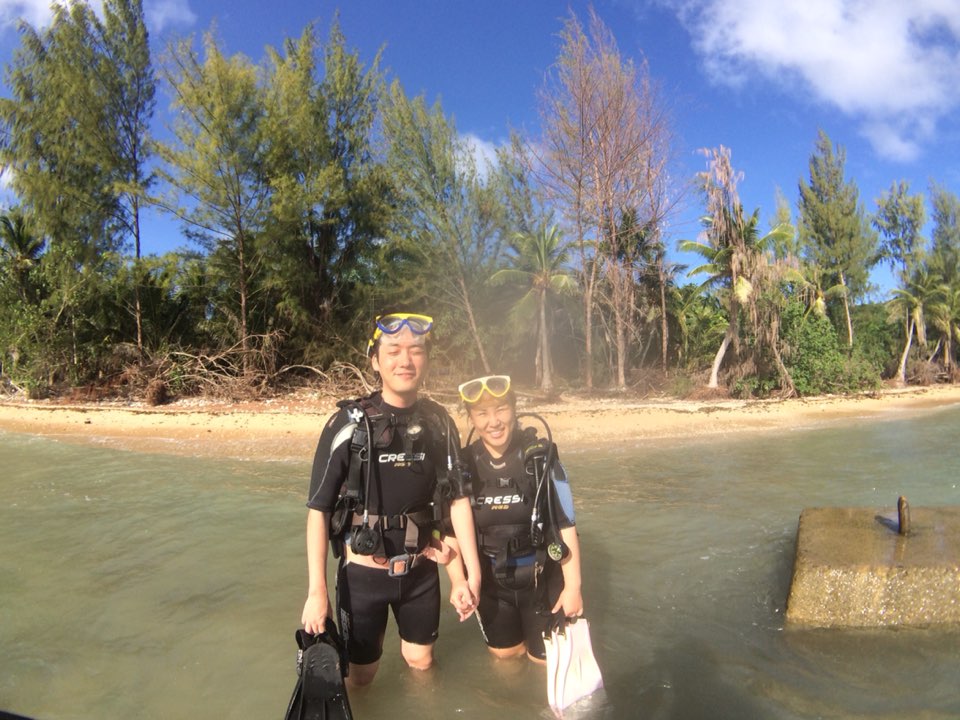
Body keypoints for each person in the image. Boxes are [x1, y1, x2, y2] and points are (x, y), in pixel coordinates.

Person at [301, 312, 481, 687]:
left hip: (421, 574)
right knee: (362, 678)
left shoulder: (438, 422)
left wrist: (467, 576)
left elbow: (458, 500)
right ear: (375, 360)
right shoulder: (348, 424)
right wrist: (317, 592)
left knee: (422, 663)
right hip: (363, 577)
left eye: (416, 350)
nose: (406, 360)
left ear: (427, 360)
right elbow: (318, 509)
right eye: (394, 350)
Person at [446, 374, 583, 662]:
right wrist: (459, 580)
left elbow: (566, 523)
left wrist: (574, 588)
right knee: (505, 659)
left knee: (544, 661)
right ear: (470, 417)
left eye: (501, 409)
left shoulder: (539, 459)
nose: (493, 421)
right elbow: (450, 532)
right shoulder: (463, 465)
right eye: (482, 413)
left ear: (515, 409)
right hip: (493, 588)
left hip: (542, 582)